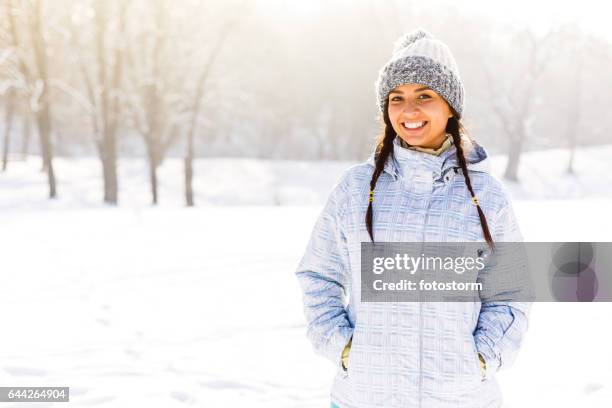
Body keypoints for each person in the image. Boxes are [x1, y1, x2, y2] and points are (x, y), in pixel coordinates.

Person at [295, 29, 531, 408]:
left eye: (425, 96)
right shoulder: (356, 190)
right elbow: (318, 276)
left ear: (451, 106)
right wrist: (345, 349)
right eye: (397, 98)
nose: (409, 111)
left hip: (461, 397)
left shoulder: (486, 197)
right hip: (366, 397)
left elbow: (511, 291)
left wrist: (481, 359)